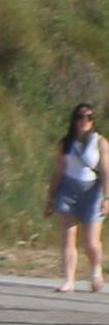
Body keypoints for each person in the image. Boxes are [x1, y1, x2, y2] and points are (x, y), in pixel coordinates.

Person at [57, 102, 105, 294]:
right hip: (68, 188)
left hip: (93, 191)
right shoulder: (65, 143)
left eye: (89, 117)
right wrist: (51, 195)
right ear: (74, 120)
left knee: (90, 242)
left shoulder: (100, 142)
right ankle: (69, 280)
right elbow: (58, 171)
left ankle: (96, 271)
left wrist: (107, 198)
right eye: (80, 117)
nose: (84, 121)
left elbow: (107, 171)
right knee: (69, 236)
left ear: (93, 122)